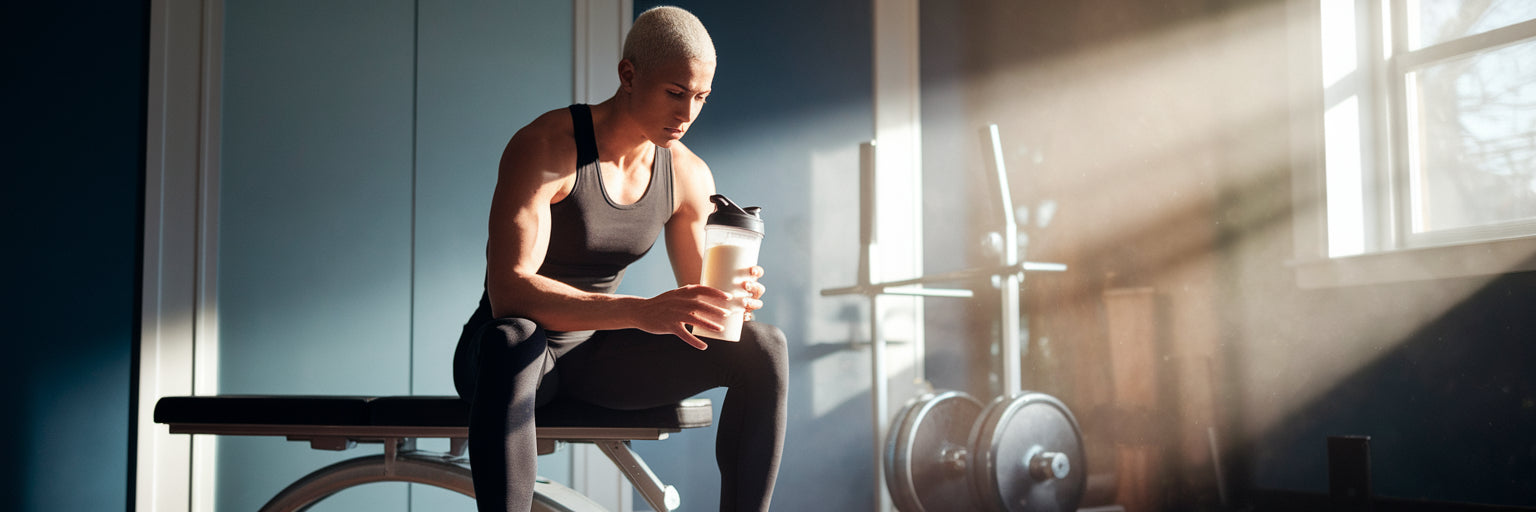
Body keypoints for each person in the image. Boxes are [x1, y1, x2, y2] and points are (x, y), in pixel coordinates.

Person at [451, 6, 787, 512]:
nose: (687, 113)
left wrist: (733, 305)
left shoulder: (689, 175)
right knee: (514, 336)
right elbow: (510, 292)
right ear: (628, 75)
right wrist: (640, 311)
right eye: (676, 93)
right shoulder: (548, 147)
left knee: (763, 346)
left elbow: (704, 312)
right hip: (506, 360)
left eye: (700, 98)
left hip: (593, 360)